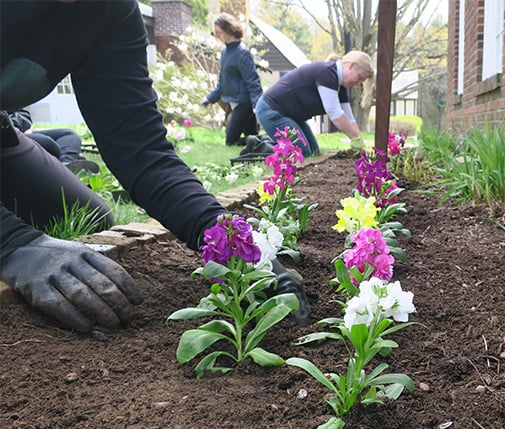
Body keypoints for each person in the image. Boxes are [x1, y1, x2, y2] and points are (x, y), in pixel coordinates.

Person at [0, 0, 309, 334]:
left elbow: (140, 148)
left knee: (87, 214)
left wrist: (222, 233)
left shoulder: (109, 11)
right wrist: (11, 243)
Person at [254, 50, 374, 157]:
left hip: (291, 116)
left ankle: (271, 145)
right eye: (359, 78)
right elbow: (335, 113)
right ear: (351, 66)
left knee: (314, 152)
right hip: (272, 111)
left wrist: (361, 143)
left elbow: (349, 118)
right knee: (302, 153)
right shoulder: (327, 73)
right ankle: (259, 147)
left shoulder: (340, 85)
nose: (358, 84)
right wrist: (354, 138)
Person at [200, 12, 263, 147]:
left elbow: (252, 81)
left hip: (244, 103)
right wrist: (209, 98)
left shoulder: (242, 53)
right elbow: (222, 83)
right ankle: (269, 145)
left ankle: (272, 143)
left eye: (220, 32)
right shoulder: (225, 53)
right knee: (252, 138)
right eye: (215, 33)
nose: (217, 36)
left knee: (231, 141)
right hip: (234, 102)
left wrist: (257, 105)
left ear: (230, 29)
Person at [8, 109, 99, 174]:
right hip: (8, 138)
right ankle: (65, 167)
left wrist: (18, 126)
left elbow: (23, 114)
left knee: (69, 135)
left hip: (19, 132)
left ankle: (66, 164)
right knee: (48, 144)